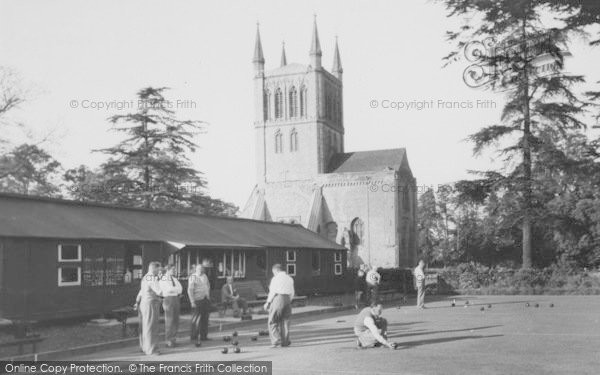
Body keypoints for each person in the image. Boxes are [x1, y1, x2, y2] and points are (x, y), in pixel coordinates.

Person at [134, 261, 163, 355]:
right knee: (151, 326)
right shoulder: (152, 278)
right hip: (151, 303)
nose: (160, 271)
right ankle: (152, 350)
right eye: (159, 269)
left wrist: (137, 301)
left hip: (144, 303)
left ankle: (144, 347)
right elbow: (159, 291)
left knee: (144, 326)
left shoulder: (145, 277)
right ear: (154, 268)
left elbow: (141, 291)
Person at [264, 263, 295, 348]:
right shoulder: (290, 278)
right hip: (287, 299)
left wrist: (268, 302)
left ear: (276, 270)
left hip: (278, 298)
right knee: (285, 321)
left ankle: (275, 341)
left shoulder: (275, 278)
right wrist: (288, 300)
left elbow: (272, 292)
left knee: (272, 320)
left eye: (273, 272)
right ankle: (285, 342)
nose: (273, 274)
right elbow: (292, 292)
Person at [159, 264, 182, 347]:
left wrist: (175, 290)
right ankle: (168, 341)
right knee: (169, 320)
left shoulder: (174, 279)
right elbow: (169, 289)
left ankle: (173, 339)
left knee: (176, 320)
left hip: (175, 298)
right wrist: (175, 289)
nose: (174, 271)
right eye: (173, 269)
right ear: (168, 270)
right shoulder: (163, 279)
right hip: (168, 299)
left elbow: (181, 288)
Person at [188, 264, 211, 346]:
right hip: (197, 300)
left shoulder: (205, 276)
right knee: (195, 319)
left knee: (205, 318)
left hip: (205, 299)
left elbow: (208, 285)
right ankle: (194, 336)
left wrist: (208, 296)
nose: (200, 270)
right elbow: (190, 290)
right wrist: (192, 301)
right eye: (199, 269)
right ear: (196, 270)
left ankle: (204, 336)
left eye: (202, 269)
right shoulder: (193, 277)